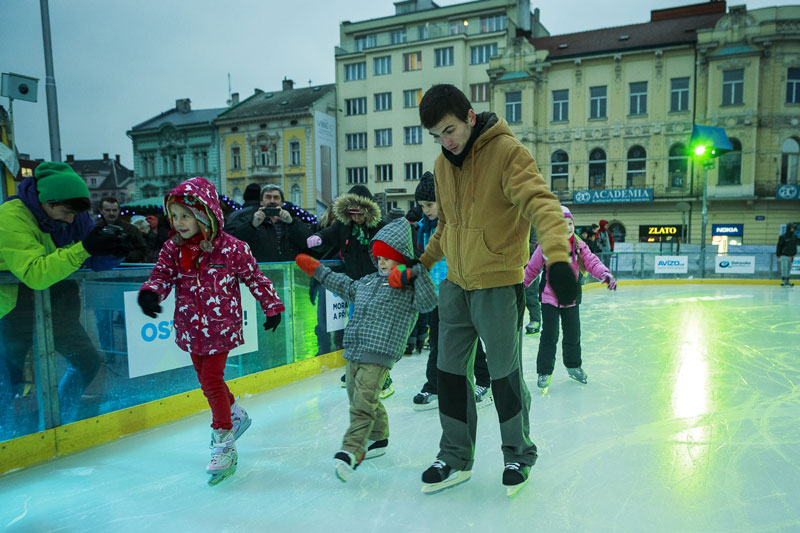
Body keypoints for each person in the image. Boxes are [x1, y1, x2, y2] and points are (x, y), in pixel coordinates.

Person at [414, 84, 576, 497]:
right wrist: (423, 264)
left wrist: (557, 258)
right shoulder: (441, 164)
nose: (445, 142)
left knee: (504, 376)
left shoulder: (507, 153)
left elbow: (543, 205)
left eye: (449, 130)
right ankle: (454, 456)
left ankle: (518, 454)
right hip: (455, 286)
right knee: (449, 375)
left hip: (498, 286)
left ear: (470, 116)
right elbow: (446, 225)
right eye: (437, 135)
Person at [137, 176, 284, 483]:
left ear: (204, 213)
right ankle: (236, 414)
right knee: (206, 382)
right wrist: (151, 292)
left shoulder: (231, 249)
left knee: (212, 381)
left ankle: (224, 443)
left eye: (185, 216)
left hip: (221, 328)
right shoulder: (173, 249)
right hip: (190, 327)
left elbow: (256, 278)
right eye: (174, 216)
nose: (178, 223)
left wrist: (271, 306)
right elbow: (161, 275)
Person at [294, 218, 437, 482]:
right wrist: (318, 270)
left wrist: (416, 272)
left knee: (362, 403)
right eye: (379, 257)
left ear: (401, 257)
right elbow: (344, 286)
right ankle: (379, 438)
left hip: (380, 353)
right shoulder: (369, 281)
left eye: (389, 258)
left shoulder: (408, 287)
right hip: (355, 350)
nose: (382, 262)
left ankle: (352, 450)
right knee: (359, 397)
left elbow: (429, 303)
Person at [0, 162, 131, 436]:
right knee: (8, 379)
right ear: (48, 201)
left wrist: (112, 250)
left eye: (76, 213)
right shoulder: (11, 216)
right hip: (12, 310)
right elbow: (35, 272)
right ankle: (7, 440)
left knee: (87, 362)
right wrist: (83, 249)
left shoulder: (76, 213)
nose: (72, 220)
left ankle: (61, 422)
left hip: (59, 304)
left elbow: (91, 259)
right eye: (66, 212)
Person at [411, 172, 493, 411]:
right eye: (422, 205)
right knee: (436, 341)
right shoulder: (423, 229)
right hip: (437, 295)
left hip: (460, 291)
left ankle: (484, 380)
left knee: (468, 339)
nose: (426, 210)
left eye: (430, 204)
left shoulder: (457, 225)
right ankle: (434, 385)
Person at [306, 186, 393, 396]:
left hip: (379, 289)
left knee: (376, 336)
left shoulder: (381, 227)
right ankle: (355, 371)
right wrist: (318, 237)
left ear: (369, 209)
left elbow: (396, 248)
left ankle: (384, 378)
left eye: (360, 212)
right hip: (357, 289)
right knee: (355, 333)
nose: (356, 217)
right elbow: (328, 234)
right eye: (352, 213)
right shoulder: (344, 227)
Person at [524, 206, 616, 390]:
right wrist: (521, 286)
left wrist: (605, 274)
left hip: (571, 299)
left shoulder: (580, 246)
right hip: (549, 298)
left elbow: (592, 262)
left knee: (573, 334)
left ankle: (573, 366)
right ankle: (544, 371)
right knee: (549, 335)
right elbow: (532, 269)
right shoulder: (545, 246)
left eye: (570, 223)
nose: (567, 228)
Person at [228, 184, 310, 263]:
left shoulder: (291, 220)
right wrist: (252, 225)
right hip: (261, 273)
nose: (272, 201)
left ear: (282, 203)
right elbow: (235, 243)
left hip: (289, 272)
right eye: (268, 197)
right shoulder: (249, 220)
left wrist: (292, 223)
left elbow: (307, 243)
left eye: (276, 198)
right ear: (261, 202)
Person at [96, 196, 147, 263]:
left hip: (126, 267)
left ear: (119, 210)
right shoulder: (96, 229)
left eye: (114, 210)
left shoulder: (131, 229)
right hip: (101, 267)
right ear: (101, 211)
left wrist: (124, 255)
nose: (111, 213)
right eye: (107, 210)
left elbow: (142, 250)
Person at [525, 227, 542, 335]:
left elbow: (536, 246)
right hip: (514, 267)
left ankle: (535, 320)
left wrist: (518, 245)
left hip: (531, 266)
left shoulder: (533, 225)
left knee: (530, 295)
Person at [777, 223, 797, 287]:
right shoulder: (783, 236)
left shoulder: (794, 236)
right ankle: (783, 280)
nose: (793, 229)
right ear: (788, 228)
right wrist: (778, 253)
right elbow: (779, 245)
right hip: (784, 255)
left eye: (793, 228)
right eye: (792, 228)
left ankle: (787, 281)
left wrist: (795, 252)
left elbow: (795, 245)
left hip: (791, 255)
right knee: (784, 268)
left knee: (789, 268)